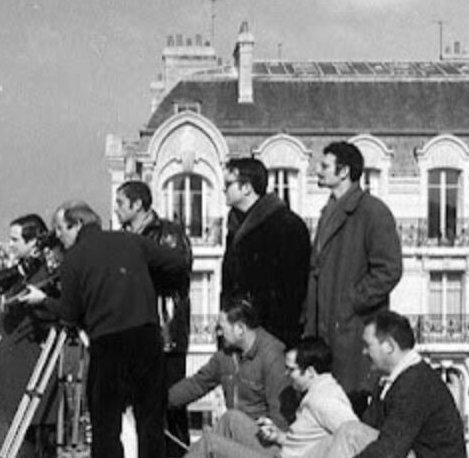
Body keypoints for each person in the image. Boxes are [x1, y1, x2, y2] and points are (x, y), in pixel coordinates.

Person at [20, 200, 189, 458]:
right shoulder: (131, 241)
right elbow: (177, 262)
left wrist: (44, 300)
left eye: (61, 229)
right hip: (147, 337)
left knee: (106, 426)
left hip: (108, 344)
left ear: (77, 225)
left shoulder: (74, 259)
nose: (59, 237)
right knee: (150, 422)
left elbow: (69, 316)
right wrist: (144, 285)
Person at [304, 141, 402, 408]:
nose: (318, 170)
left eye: (325, 166)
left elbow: (390, 269)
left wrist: (350, 302)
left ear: (344, 171)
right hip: (327, 333)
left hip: (353, 333)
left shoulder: (373, 211)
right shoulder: (330, 211)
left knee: (351, 408)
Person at [114, 180, 193, 456]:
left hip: (164, 334)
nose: (116, 209)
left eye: (121, 203)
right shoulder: (122, 237)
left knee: (170, 409)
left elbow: (177, 273)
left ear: (137, 204)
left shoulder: (169, 233)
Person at [322, 310, 466, 458]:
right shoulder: (390, 381)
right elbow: (370, 428)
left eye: (368, 345)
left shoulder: (416, 383)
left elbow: (390, 450)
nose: (364, 352)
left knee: (350, 434)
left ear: (389, 346)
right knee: (343, 435)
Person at [183, 337, 359, 458]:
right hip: (285, 451)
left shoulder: (326, 400)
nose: (287, 374)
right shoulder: (316, 390)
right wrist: (279, 436)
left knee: (210, 443)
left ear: (311, 372)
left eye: (292, 370)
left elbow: (355, 437)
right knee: (232, 419)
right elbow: (306, 442)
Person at [222, 157, 310, 347]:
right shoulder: (235, 225)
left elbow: (293, 291)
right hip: (239, 332)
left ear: (247, 188)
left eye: (228, 184)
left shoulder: (287, 225)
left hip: (271, 336)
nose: (223, 189)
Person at [168, 296, 290, 431]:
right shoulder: (225, 356)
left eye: (221, 328)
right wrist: (161, 401)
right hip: (234, 432)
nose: (218, 333)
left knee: (221, 429)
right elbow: (197, 384)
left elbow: (279, 410)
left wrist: (277, 439)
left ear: (240, 329)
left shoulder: (272, 356)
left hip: (262, 435)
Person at [0, 213, 61, 447]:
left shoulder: (42, 278)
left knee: (28, 445)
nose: (10, 245)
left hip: (28, 375)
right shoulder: (25, 274)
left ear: (33, 243)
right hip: (20, 375)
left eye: (15, 240)